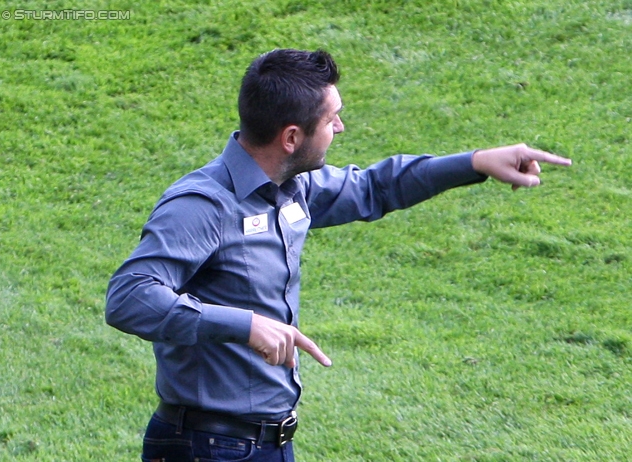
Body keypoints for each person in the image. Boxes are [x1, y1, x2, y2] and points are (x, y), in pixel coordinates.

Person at [105, 48, 571, 462]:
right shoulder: (203, 205)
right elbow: (129, 298)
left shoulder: (291, 188)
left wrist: (475, 162)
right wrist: (243, 325)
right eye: (332, 120)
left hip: (265, 443)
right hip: (208, 447)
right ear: (291, 137)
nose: (340, 127)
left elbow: (374, 186)